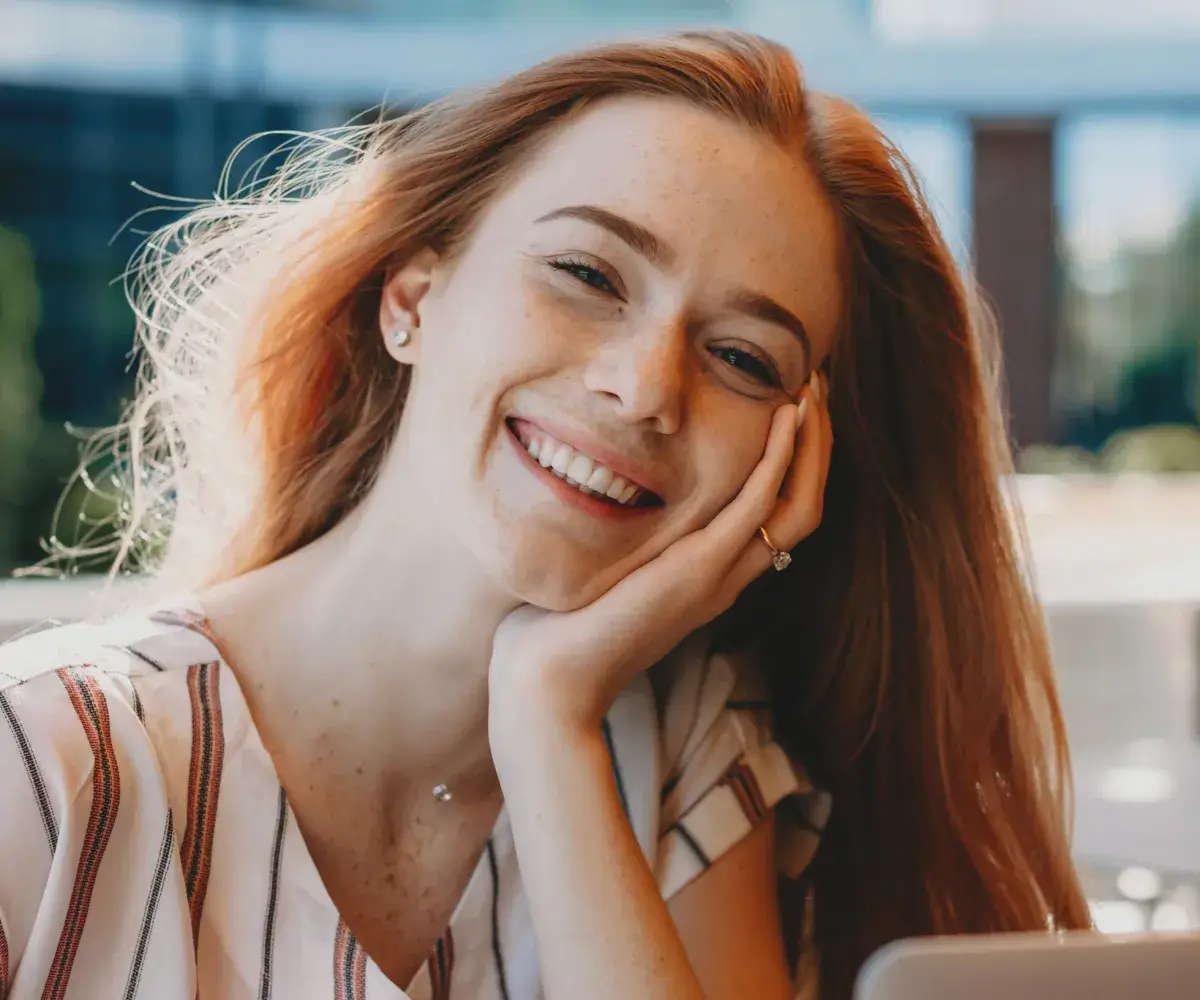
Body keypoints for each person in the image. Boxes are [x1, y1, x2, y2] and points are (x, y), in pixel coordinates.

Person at [0, 29, 1090, 1000]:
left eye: (743, 357)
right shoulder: (42, 764)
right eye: (585, 272)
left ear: (791, 461)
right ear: (413, 301)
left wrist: (548, 717)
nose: (647, 384)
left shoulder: (687, 753)